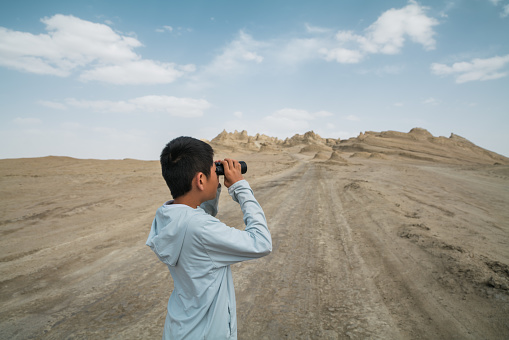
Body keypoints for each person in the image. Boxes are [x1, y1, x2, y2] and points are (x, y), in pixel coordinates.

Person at [146, 136, 272, 339]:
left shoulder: (168, 215)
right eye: (214, 172)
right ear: (201, 180)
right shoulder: (201, 229)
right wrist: (240, 187)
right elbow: (261, 243)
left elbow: (197, 215)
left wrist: (216, 187)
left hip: (181, 328)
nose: (217, 175)